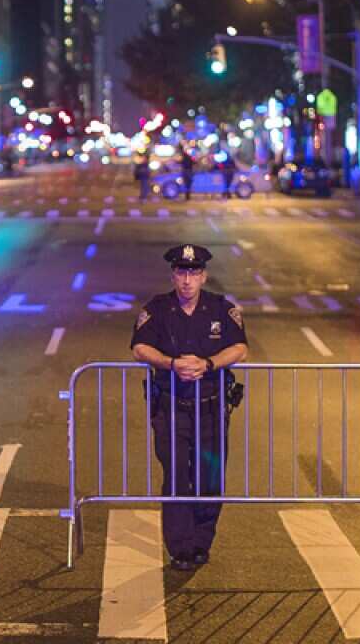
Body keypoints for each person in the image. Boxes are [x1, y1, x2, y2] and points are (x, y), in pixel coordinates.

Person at [130, 244, 249, 571]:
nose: (186, 280)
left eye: (193, 273)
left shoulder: (219, 309)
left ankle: (201, 540)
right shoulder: (158, 309)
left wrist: (209, 364)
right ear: (173, 275)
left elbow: (240, 347)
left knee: (211, 477)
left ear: (203, 276)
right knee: (177, 476)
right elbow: (139, 348)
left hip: (211, 408)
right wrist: (170, 363)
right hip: (171, 408)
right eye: (181, 273)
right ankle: (180, 547)